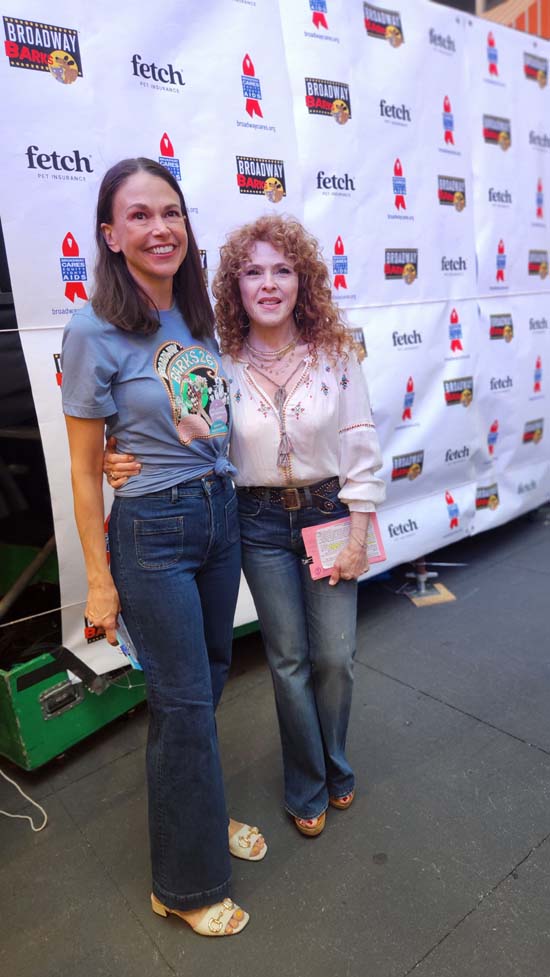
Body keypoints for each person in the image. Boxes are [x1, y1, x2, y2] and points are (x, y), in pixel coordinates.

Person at [105, 214, 385, 837]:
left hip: (331, 513)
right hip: (254, 524)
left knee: (335, 658)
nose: (268, 283)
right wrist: (116, 453)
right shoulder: (218, 360)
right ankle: (306, 783)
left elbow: (362, 445)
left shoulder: (336, 353)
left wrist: (360, 535)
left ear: (301, 280)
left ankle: (337, 762)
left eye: (282, 270)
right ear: (234, 286)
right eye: (253, 271)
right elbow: (184, 434)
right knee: (286, 660)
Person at [62, 158, 266, 939]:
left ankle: (200, 813)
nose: (160, 228)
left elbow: (199, 415)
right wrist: (100, 581)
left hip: (217, 515)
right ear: (110, 235)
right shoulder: (90, 329)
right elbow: (85, 472)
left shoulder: (198, 313)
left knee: (209, 680)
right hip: (152, 529)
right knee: (181, 705)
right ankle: (182, 885)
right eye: (140, 216)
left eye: (171, 212)